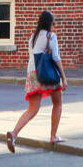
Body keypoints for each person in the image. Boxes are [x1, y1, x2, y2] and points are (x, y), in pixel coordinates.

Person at [6, 9, 67, 152]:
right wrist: (64, 77)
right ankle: (53, 136)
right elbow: (56, 58)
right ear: (50, 24)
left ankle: (14, 134)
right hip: (48, 74)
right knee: (57, 103)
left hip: (33, 75)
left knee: (32, 110)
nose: (55, 26)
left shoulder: (32, 37)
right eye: (54, 23)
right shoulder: (50, 36)